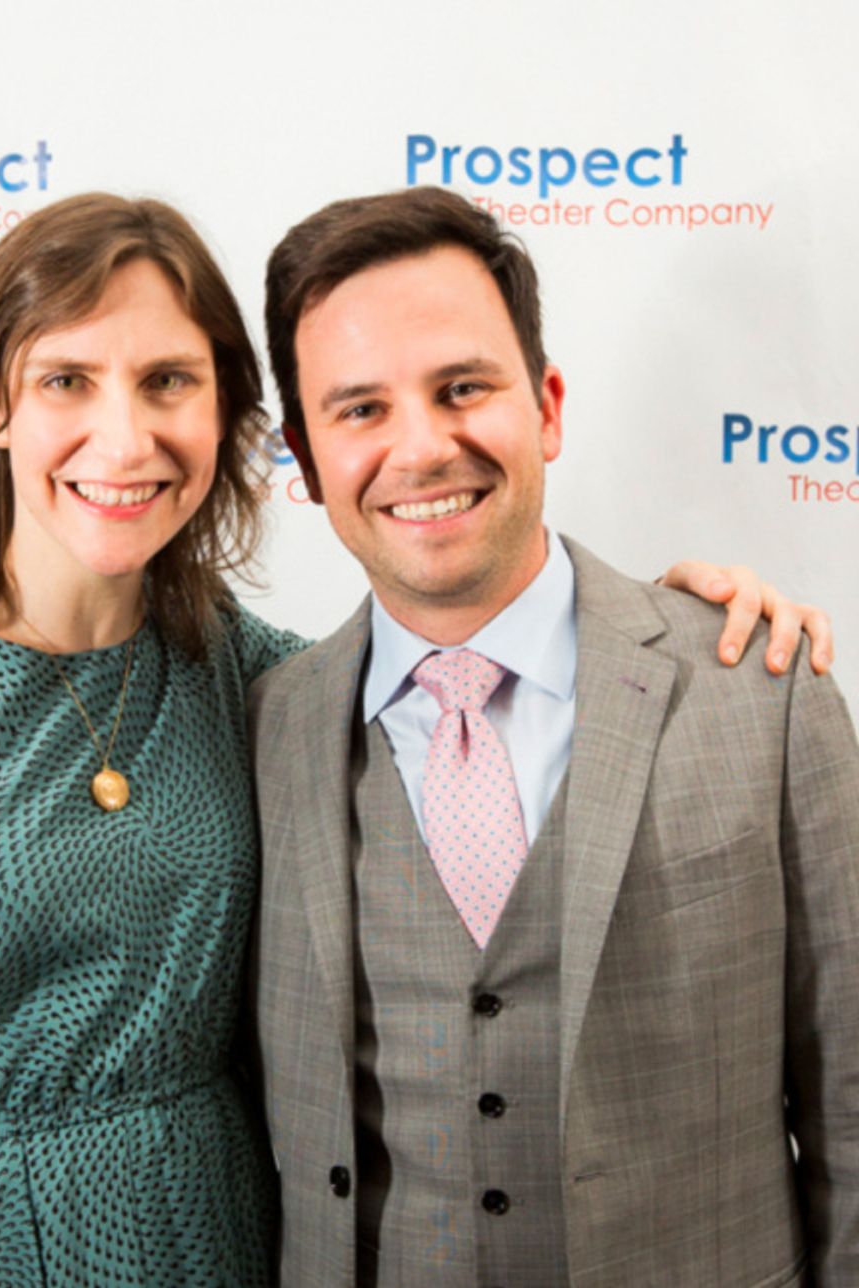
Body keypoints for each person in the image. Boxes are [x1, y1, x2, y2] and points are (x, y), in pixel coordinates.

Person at [0, 191, 826, 1288]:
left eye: (168, 380)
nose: (123, 436)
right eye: (66, 379)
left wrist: (675, 620)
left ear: (228, 419)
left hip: (214, 1242)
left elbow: (476, 647)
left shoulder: (255, 682)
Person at [249, 186, 859, 1286]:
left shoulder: (763, 688)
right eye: (361, 409)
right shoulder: (264, 723)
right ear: (303, 454)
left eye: (463, 388)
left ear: (547, 406)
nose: (422, 447)